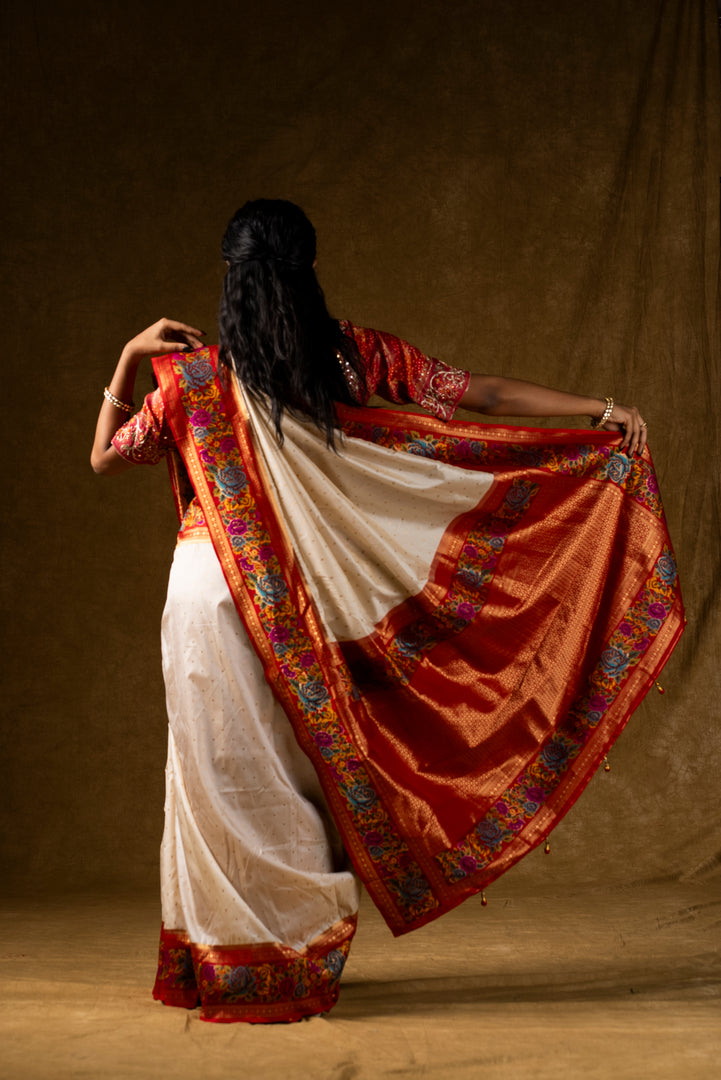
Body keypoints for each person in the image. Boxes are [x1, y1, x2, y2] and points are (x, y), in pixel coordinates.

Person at [91, 199, 681, 1024]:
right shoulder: (352, 357)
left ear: (230, 279)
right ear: (309, 270)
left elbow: (105, 459)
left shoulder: (191, 381)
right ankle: (298, 953)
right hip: (308, 596)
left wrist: (126, 360)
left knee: (218, 775)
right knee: (301, 771)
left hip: (204, 589)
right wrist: (596, 411)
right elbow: (478, 394)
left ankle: (234, 963)